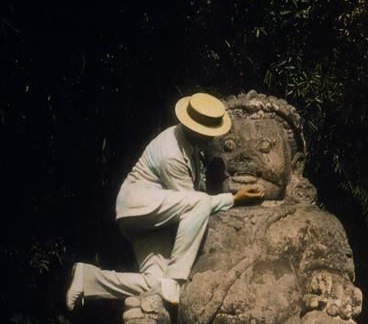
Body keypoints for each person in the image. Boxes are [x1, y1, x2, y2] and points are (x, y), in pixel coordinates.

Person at [66, 92, 263, 310]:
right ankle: (175, 277)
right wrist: (233, 199)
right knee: (198, 204)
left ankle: (88, 279)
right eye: (209, 133)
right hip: (139, 208)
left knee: (155, 283)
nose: (212, 138)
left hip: (154, 219)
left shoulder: (189, 144)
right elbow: (195, 203)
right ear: (195, 128)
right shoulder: (171, 155)